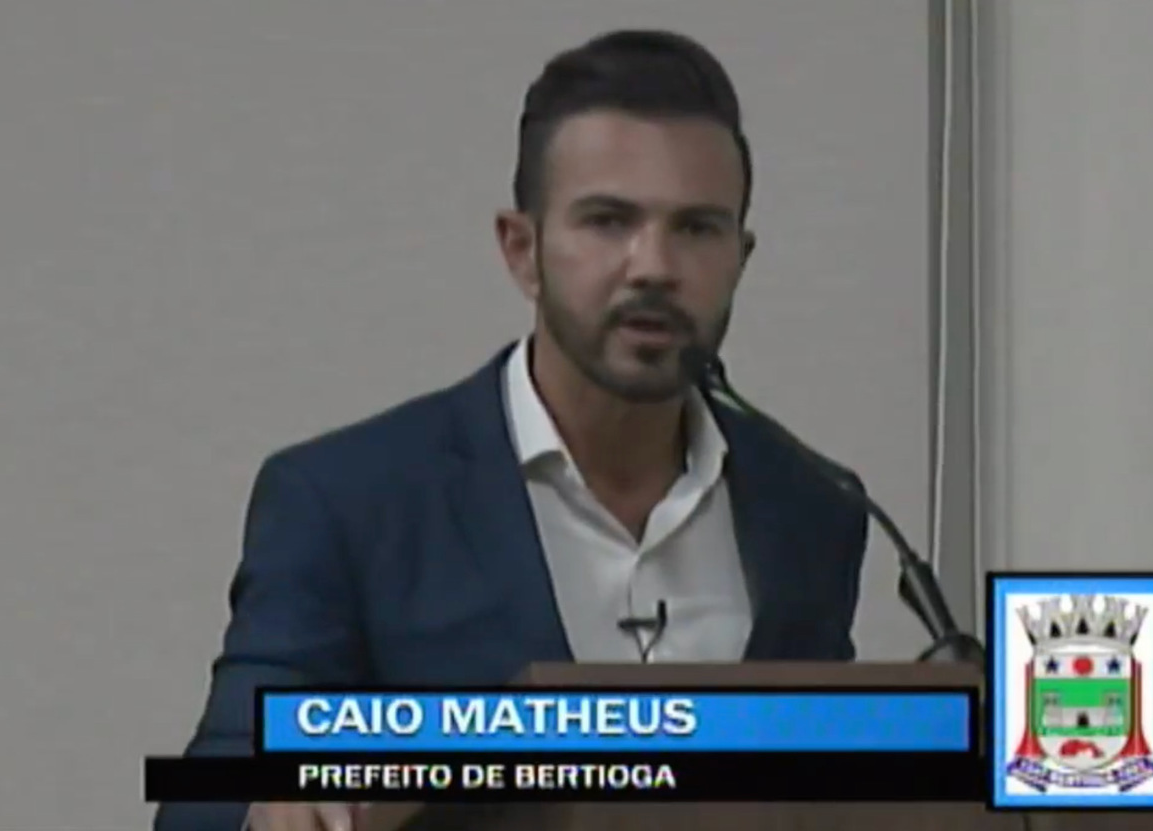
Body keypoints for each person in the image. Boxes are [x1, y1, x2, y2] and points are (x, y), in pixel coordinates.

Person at [153, 28, 869, 831]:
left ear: (741, 256)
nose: (654, 266)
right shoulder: (351, 502)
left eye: (697, 228)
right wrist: (269, 801)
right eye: (608, 221)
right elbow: (204, 801)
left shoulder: (813, 509)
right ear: (522, 249)